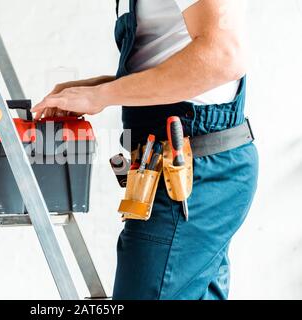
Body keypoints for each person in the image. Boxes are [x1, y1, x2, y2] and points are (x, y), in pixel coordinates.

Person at [32, 0, 258, 300]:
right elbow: (172, 58)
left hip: (191, 174)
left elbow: (223, 57)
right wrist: (94, 90)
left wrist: (103, 95)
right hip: (184, 170)